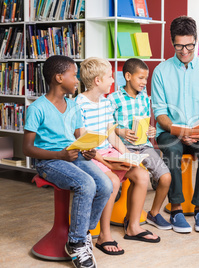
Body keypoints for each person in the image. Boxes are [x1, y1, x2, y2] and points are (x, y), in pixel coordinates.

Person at [23, 55, 113, 268]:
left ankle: (82, 233)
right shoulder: (37, 108)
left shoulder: (73, 106)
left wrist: (87, 149)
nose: (77, 79)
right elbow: (27, 148)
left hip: (73, 154)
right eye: (74, 75)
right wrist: (60, 155)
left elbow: (77, 137)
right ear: (58, 78)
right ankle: (76, 242)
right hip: (49, 161)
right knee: (86, 184)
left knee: (106, 184)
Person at [76, 57, 157, 255]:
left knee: (142, 175)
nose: (113, 81)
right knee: (112, 181)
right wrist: (107, 162)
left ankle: (133, 227)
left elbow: (111, 134)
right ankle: (104, 235)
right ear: (97, 80)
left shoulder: (105, 103)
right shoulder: (79, 103)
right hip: (90, 155)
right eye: (110, 77)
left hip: (108, 152)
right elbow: (83, 142)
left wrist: (128, 155)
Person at [151, 16, 199, 233]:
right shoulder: (161, 71)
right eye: (179, 45)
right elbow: (160, 113)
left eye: (189, 45)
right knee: (172, 150)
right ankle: (177, 209)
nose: (185, 50)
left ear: (195, 41)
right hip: (170, 131)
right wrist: (180, 132)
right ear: (172, 42)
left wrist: (197, 130)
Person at [108, 58, 172, 234]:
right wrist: (121, 131)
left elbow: (145, 122)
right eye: (141, 78)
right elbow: (107, 127)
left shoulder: (145, 98)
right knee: (138, 177)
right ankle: (131, 219)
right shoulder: (113, 99)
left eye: (146, 78)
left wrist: (151, 130)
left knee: (166, 178)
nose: (144, 82)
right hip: (121, 148)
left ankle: (153, 213)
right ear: (128, 76)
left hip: (143, 146)